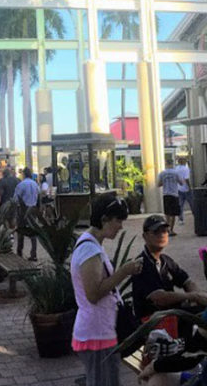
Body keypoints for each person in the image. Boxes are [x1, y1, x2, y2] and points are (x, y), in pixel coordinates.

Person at [70, 195, 143, 386]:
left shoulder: (92, 246)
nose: (120, 226)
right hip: (96, 331)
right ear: (104, 219)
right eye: (117, 220)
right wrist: (124, 271)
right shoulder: (89, 250)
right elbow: (93, 293)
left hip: (100, 329)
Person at [132, 214, 207, 339]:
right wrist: (192, 296)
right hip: (154, 323)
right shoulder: (141, 265)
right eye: (156, 232)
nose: (162, 235)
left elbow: (186, 281)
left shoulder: (166, 260)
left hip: (173, 315)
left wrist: (198, 295)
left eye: (165, 231)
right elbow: (160, 298)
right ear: (145, 236)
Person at [13, 167, 40, 261]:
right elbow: (39, 196)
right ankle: (34, 254)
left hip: (23, 210)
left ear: (24, 174)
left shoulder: (21, 184)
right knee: (33, 232)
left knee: (21, 231)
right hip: (33, 209)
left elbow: (16, 199)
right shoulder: (35, 184)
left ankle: (19, 253)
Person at [157, 165, 185, 236]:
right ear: (171, 165)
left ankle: (166, 230)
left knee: (167, 214)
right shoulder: (176, 173)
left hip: (166, 195)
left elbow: (159, 184)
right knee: (173, 214)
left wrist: (165, 182)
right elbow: (181, 183)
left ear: (166, 165)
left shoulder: (162, 173)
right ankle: (171, 230)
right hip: (174, 195)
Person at [176, 157, 192, 225]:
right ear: (184, 161)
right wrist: (190, 187)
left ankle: (180, 219)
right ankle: (196, 216)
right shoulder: (186, 169)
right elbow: (187, 179)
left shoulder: (176, 168)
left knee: (180, 205)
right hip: (186, 189)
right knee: (192, 203)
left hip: (178, 189)